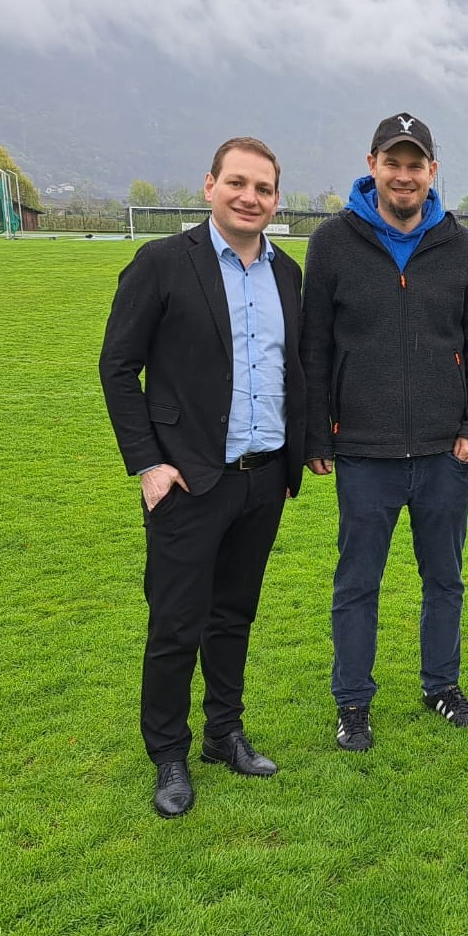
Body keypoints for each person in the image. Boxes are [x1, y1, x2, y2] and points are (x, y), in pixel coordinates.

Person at [99, 137, 305, 817]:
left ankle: (224, 734)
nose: (251, 198)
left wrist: (302, 446)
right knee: (176, 623)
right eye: (238, 183)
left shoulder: (286, 275)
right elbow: (118, 368)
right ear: (210, 185)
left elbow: (291, 369)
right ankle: (168, 754)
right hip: (187, 481)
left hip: (262, 477)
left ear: (277, 199)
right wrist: (149, 464)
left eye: (264, 188)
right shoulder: (163, 263)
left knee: (233, 616)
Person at [302, 113, 468, 752]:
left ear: (432, 172)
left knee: (444, 577)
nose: (405, 175)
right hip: (362, 450)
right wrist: (316, 435)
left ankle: (441, 684)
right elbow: (314, 347)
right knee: (357, 581)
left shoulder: (461, 246)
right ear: (373, 165)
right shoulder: (333, 243)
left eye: (416, 164)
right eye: (394, 162)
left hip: (446, 450)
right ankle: (353, 701)